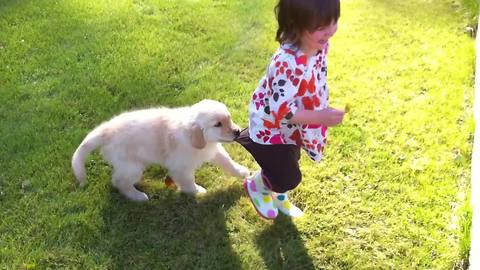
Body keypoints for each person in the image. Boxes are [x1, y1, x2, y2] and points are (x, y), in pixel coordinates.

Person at [236, 0, 344, 219]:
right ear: (296, 26)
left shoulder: (317, 45)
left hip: (291, 127)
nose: (331, 30)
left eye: (334, 20)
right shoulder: (286, 62)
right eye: (321, 26)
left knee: (291, 159)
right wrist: (320, 117)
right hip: (271, 126)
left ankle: (280, 197)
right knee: (288, 176)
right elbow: (284, 112)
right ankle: (258, 185)